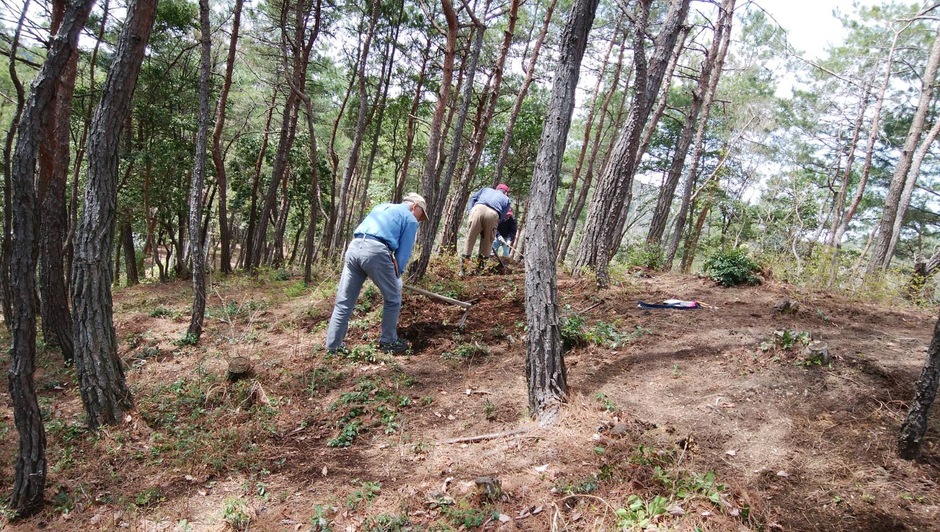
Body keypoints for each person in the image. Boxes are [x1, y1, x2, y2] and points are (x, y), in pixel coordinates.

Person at [325, 193, 429, 354]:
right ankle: (389, 342)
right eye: (421, 215)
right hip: (376, 251)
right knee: (393, 298)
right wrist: (398, 275)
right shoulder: (409, 218)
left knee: (344, 301)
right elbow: (404, 253)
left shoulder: (381, 207)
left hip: (354, 248)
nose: (420, 220)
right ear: (415, 206)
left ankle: (333, 346)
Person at [463, 183, 511, 274]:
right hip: (493, 214)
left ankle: (463, 269)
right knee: (487, 244)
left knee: (469, 239)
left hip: (477, 209)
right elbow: (502, 216)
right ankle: (479, 270)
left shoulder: (485, 189)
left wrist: (471, 211)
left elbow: (472, 199)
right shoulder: (507, 199)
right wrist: (491, 227)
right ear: (505, 193)